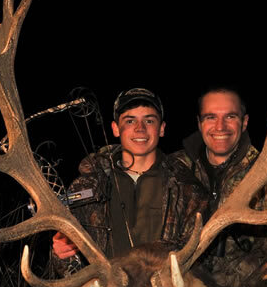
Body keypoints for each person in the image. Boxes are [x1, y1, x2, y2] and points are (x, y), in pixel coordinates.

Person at [170, 86, 267, 287]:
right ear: (199, 124)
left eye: (230, 117)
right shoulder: (176, 167)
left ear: (244, 122)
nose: (220, 127)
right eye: (210, 117)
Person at [50, 87, 207, 268]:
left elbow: (198, 262)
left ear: (162, 129)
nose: (140, 129)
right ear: (115, 128)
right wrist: (60, 254)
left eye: (149, 120)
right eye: (130, 121)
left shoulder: (189, 190)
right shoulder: (84, 189)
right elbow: (66, 267)